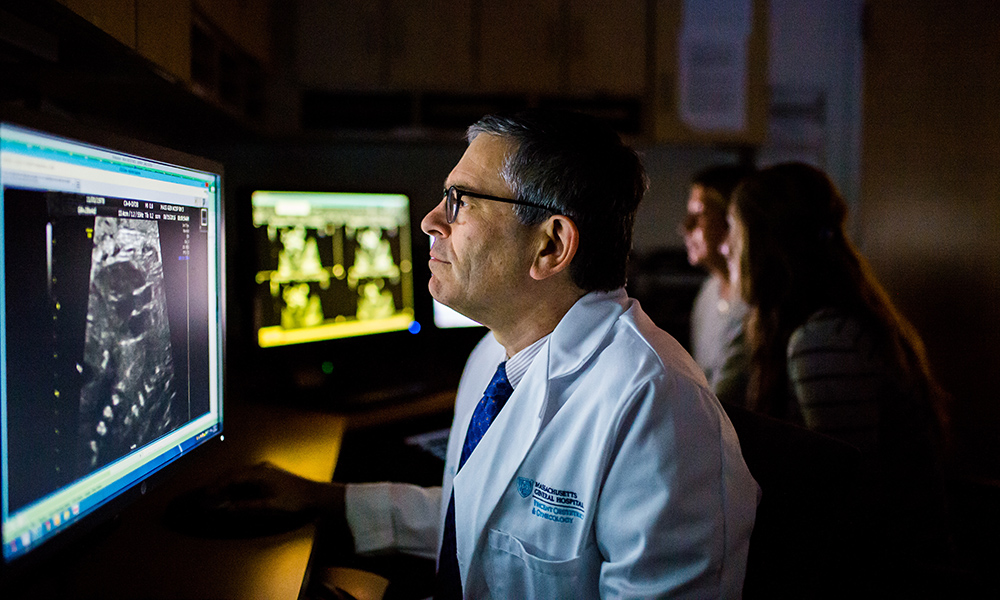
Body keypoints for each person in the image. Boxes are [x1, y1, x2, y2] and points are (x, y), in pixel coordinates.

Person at [225, 110, 760, 598]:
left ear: (550, 245)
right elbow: (484, 520)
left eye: (459, 201)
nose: (430, 221)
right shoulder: (493, 356)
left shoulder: (659, 407)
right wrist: (328, 500)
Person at [722, 162, 953, 581]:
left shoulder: (825, 339)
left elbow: (847, 505)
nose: (725, 249)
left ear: (766, 245)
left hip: (890, 574)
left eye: (734, 233)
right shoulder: (792, 326)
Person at [680, 164, 754, 406]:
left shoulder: (753, 302)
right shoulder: (708, 293)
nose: (685, 226)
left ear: (730, 221)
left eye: (699, 215)